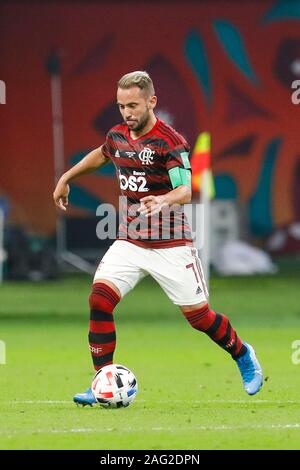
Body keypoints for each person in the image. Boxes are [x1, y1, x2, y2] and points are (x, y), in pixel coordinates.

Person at [53, 71, 263, 406]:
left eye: (133, 105)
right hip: (130, 241)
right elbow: (102, 153)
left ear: (151, 101)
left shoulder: (170, 142)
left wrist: (163, 200)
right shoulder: (118, 134)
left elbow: (184, 188)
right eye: (121, 106)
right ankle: (102, 382)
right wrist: (67, 176)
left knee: (199, 318)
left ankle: (242, 353)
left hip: (171, 245)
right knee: (99, 300)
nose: (127, 113)